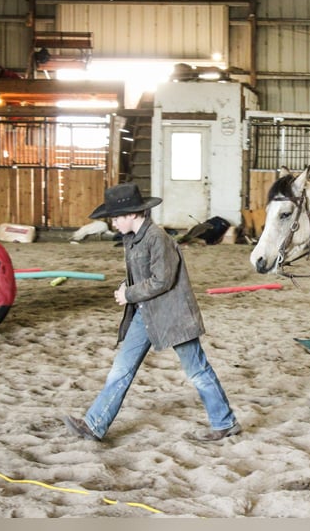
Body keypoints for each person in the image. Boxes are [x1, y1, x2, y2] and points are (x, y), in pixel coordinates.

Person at [63, 183, 241, 443]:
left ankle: (224, 423)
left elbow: (162, 281)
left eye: (116, 217)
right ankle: (94, 424)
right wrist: (128, 286)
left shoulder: (157, 238)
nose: (113, 223)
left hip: (172, 314)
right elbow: (145, 276)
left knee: (197, 369)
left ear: (132, 214)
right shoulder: (133, 238)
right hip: (145, 313)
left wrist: (129, 295)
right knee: (121, 368)